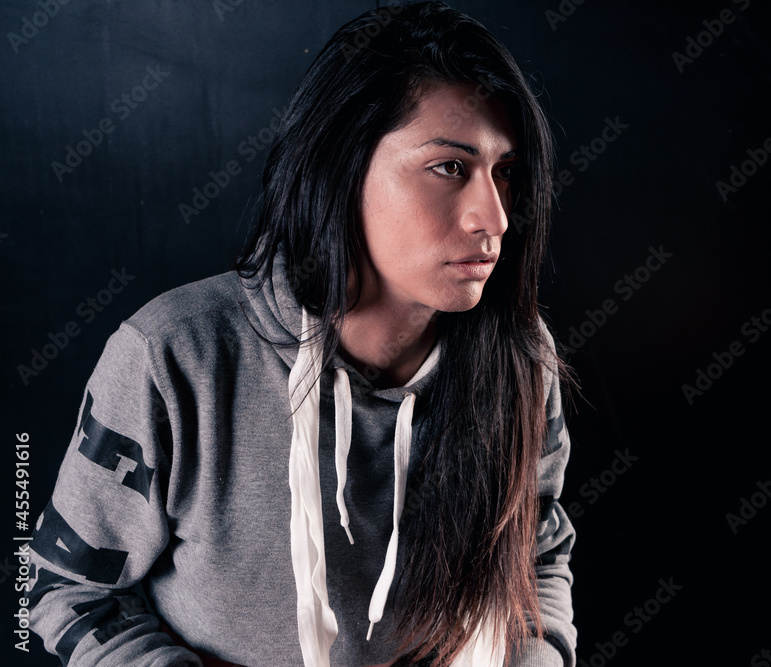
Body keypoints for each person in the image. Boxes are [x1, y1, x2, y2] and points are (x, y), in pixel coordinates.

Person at [26, 2, 576, 666]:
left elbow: (537, 555)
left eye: (506, 172)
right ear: (343, 166)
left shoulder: (521, 357)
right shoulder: (174, 357)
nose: (495, 218)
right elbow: (65, 590)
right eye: (450, 168)